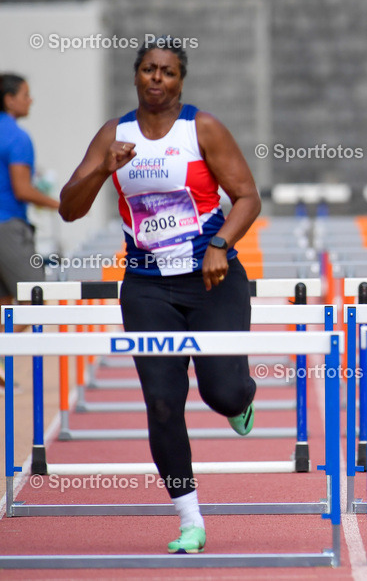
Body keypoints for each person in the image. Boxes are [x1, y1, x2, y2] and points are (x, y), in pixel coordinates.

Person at [59, 36, 261, 553]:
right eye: (148, 69)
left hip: (211, 279)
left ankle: (241, 399)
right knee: (163, 405)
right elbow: (68, 208)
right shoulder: (115, 134)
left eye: (167, 72)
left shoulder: (203, 129)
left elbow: (247, 197)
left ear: (180, 80)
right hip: (147, 286)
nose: (156, 79)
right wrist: (105, 167)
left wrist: (221, 243)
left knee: (223, 391)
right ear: (135, 76)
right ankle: (189, 518)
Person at [0, 74, 61, 388]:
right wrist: (60, 203)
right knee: (37, 297)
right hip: (7, 226)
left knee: (6, 301)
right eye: (26, 94)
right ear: (9, 99)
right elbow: (22, 189)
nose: (31, 100)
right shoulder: (16, 137)